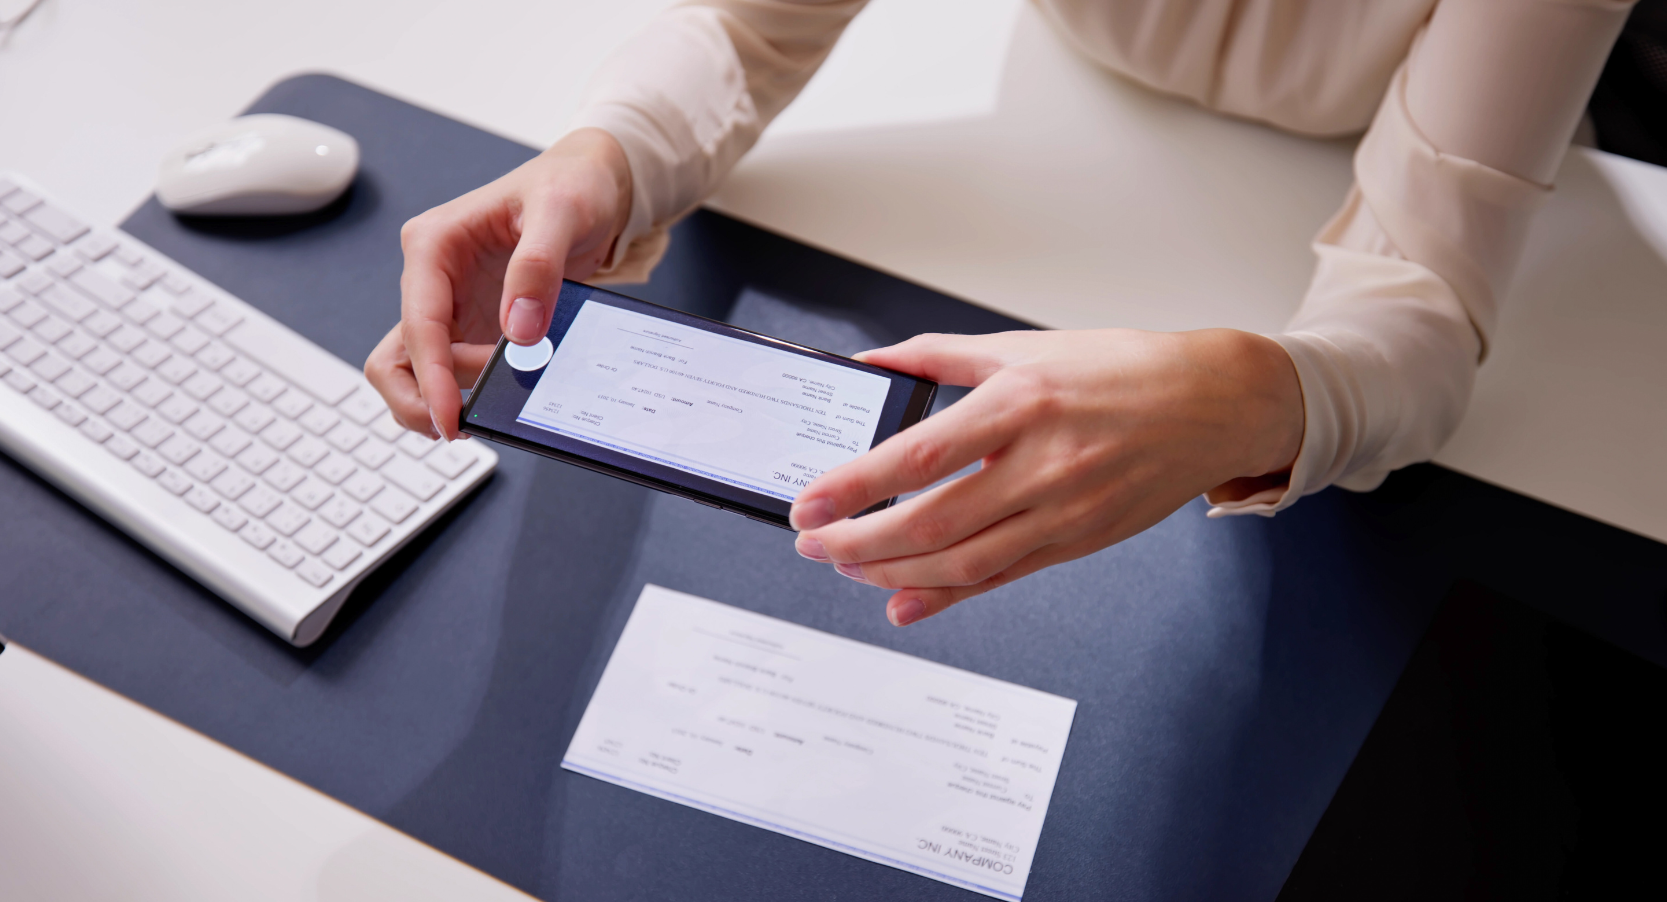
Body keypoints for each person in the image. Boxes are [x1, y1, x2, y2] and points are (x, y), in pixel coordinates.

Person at [365, 0, 1635, 628]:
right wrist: (608, 156)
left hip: (1444, 155)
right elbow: (749, 29)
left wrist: (1250, 392)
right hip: (1062, 144)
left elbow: (1417, 310)